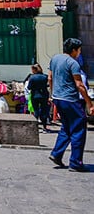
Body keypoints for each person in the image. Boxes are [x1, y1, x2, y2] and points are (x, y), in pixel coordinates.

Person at [48, 38, 94, 172]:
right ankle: (75, 161)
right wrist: (89, 103)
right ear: (74, 50)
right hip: (70, 100)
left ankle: (57, 153)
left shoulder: (55, 59)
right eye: (79, 50)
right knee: (79, 129)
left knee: (66, 127)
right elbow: (80, 85)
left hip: (58, 98)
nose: (79, 52)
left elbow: (50, 78)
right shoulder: (73, 63)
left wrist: (53, 93)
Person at [25, 63, 50, 132]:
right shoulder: (45, 76)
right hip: (44, 95)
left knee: (36, 111)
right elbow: (47, 85)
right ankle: (45, 127)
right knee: (44, 111)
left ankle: (35, 127)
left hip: (35, 95)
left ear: (34, 70)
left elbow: (29, 87)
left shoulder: (32, 77)